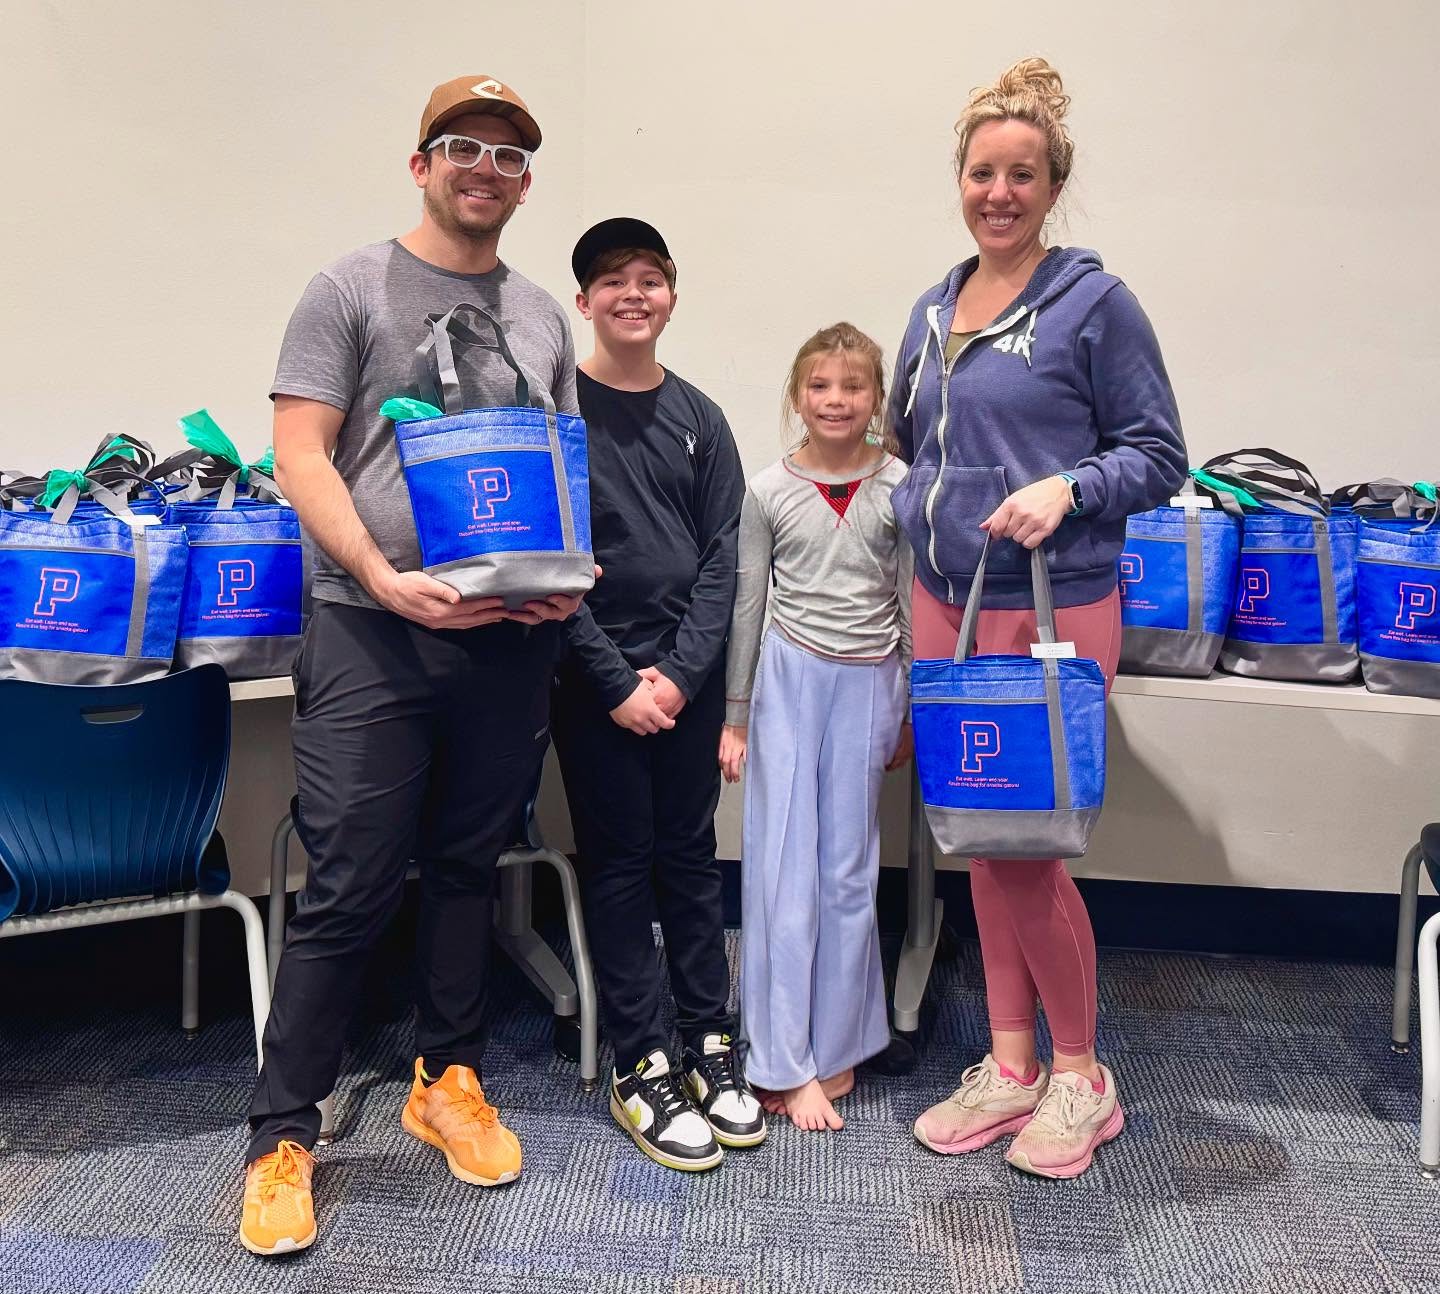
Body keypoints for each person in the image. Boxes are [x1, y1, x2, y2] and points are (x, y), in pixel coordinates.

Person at [241, 75, 588, 1255]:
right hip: (368, 625)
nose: (485, 169)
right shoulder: (346, 288)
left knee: (465, 866)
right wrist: (384, 579)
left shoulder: (542, 313)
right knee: (346, 880)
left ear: (526, 183)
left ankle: (448, 1077)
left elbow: (553, 466)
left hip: (503, 643)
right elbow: (301, 454)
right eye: (462, 148)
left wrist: (555, 582)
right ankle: (284, 1132)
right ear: (421, 163)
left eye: (507, 156)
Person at [895, 57, 1186, 1178]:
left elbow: (1159, 453)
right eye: (981, 172)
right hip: (943, 606)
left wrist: (1071, 488)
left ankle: (1081, 1075)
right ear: (959, 181)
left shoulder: (1094, 304)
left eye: (1022, 174)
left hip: (1053, 610)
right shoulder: (930, 305)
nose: (998, 192)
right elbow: (919, 450)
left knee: (1032, 851)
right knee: (978, 842)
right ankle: (1009, 1064)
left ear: (1052, 185)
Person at [551, 218, 764, 1172]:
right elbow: (547, 565)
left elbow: (726, 558)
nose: (634, 295)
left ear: (671, 294)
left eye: (651, 279)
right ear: (585, 302)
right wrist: (614, 682)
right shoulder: (556, 416)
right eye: (613, 282)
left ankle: (709, 1043)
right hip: (593, 679)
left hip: (686, 678)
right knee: (619, 859)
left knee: (688, 855)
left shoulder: (701, 417)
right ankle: (640, 1059)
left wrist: (680, 677)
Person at [721, 323, 913, 1133]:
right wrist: (734, 717)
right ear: (799, 396)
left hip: (872, 681)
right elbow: (747, 605)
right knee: (781, 868)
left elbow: (911, 600)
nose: (837, 401)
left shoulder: (903, 485)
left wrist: (915, 705)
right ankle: (778, 1058)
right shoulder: (768, 488)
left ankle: (839, 1043)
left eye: (854, 387)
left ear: (876, 399)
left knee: (847, 870)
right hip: (787, 682)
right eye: (821, 387)